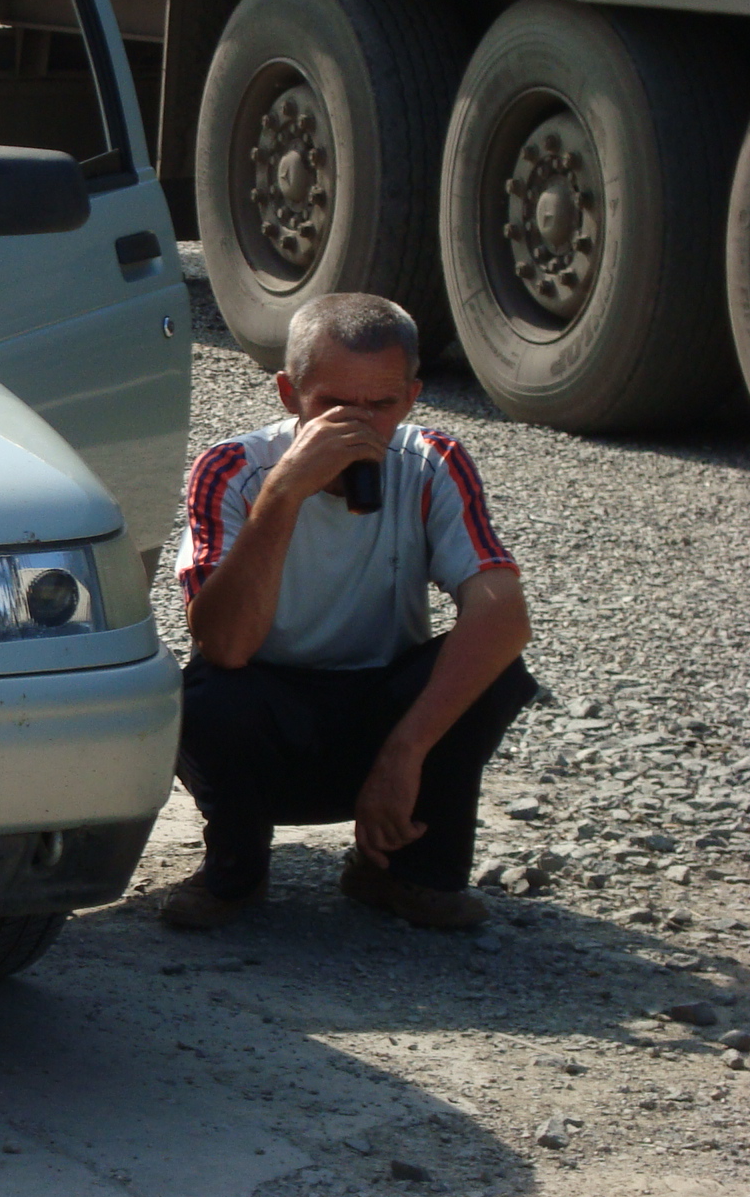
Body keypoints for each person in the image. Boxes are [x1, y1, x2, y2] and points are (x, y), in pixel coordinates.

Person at [162, 292, 534, 932]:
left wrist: (405, 753)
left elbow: (505, 618)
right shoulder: (234, 468)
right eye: (333, 405)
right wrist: (284, 493)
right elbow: (225, 644)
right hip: (268, 718)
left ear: (411, 398)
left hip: (380, 715)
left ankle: (404, 872)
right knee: (210, 695)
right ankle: (235, 870)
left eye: (380, 405)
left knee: (493, 669)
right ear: (289, 394)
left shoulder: (431, 462)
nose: (358, 426)